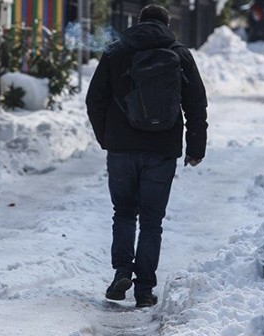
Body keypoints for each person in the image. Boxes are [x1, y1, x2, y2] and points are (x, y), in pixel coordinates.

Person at [85, 4, 208, 308]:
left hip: (122, 149)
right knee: (152, 221)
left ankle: (121, 272)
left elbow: (94, 99)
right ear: (168, 25)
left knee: (124, 213)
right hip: (162, 149)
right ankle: (144, 289)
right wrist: (195, 148)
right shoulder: (180, 55)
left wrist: (107, 137)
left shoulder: (116, 52)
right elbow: (196, 105)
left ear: (138, 22)